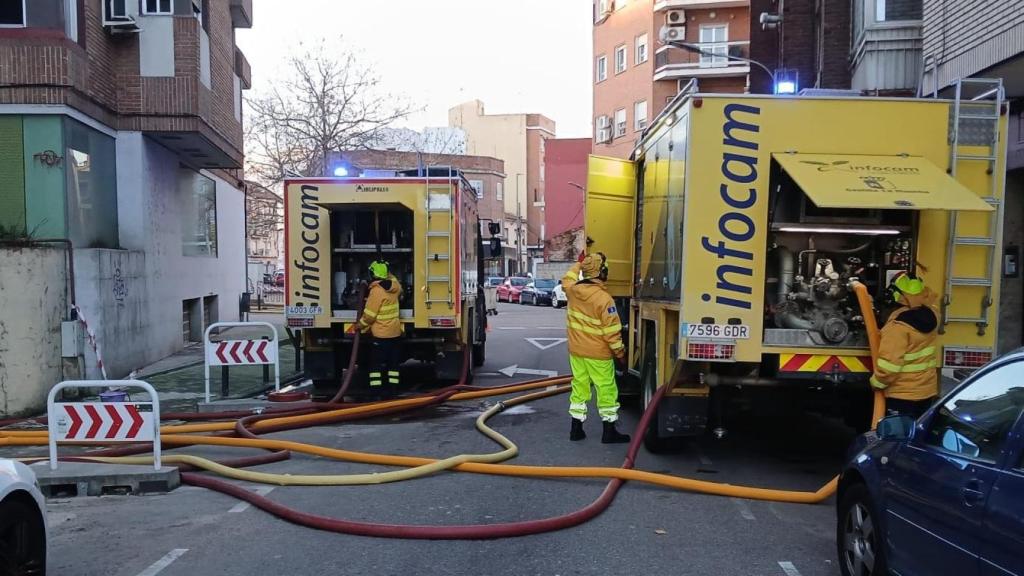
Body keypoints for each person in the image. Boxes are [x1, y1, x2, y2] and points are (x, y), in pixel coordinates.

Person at [561, 252, 630, 443]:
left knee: (579, 387)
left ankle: (576, 429)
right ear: (602, 272)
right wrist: (621, 354)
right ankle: (609, 431)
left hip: (577, 352)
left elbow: (567, 278)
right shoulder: (604, 299)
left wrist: (579, 263)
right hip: (598, 354)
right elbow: (612, 333)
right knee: (606, 389)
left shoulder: (572, 290)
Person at [871, 272, 940, 419]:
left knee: (898, 437)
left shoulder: (897, 327)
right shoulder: (933, 314)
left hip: (902, 395)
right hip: (926, 392)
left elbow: (890, 365)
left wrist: (876, 383)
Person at [352, 261, 403, 395]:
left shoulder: (376, 292)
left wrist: (359, 325)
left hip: (380, 336)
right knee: (393, 365)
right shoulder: (395, 287)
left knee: (376, 366)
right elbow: (393, 280)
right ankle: (393, 389)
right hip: (395, 334)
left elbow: (369, 316)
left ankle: (376, 391)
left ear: (373, 274)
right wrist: (389, 272)